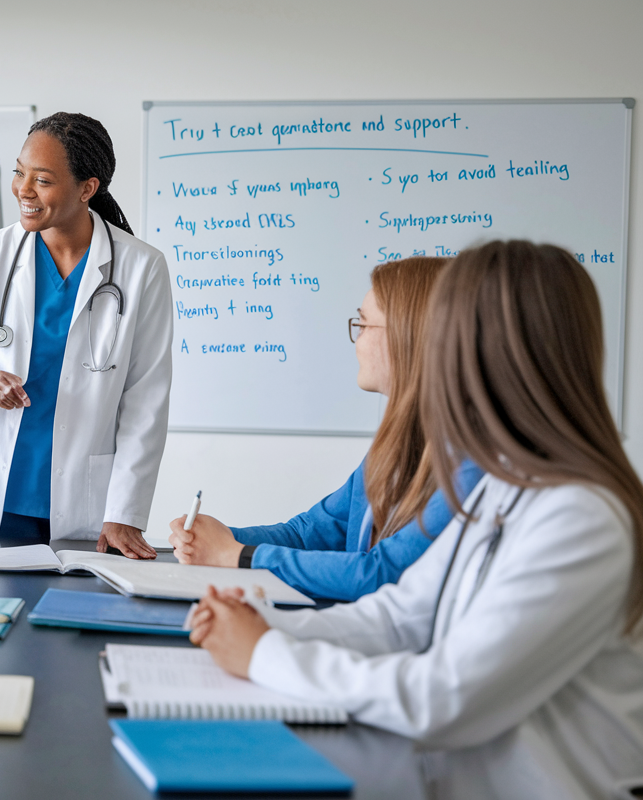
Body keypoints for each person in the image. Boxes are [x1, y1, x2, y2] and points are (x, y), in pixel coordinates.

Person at [188, 241, 643, 797]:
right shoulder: (506, 486)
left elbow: (445, 699)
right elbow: (398, 617)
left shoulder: (581, 519)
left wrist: (264, 653)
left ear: (489, 354)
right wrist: (261, 620)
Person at [169, 257, 484, 601]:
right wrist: (217, 539)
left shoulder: (472, 467)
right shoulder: (393, 448)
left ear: (409, 336)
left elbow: (382, 574)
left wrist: (236, 555)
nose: (357, 340)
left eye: (363, 325)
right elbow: (309, 534)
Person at [0, 112, 172, 556]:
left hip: (83, 501)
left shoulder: (141, 268)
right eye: (19, 172)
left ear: (88, 188)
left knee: (72, 621)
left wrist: (125, 511)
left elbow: (146, 398)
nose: (23, 190)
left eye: (42, 180)